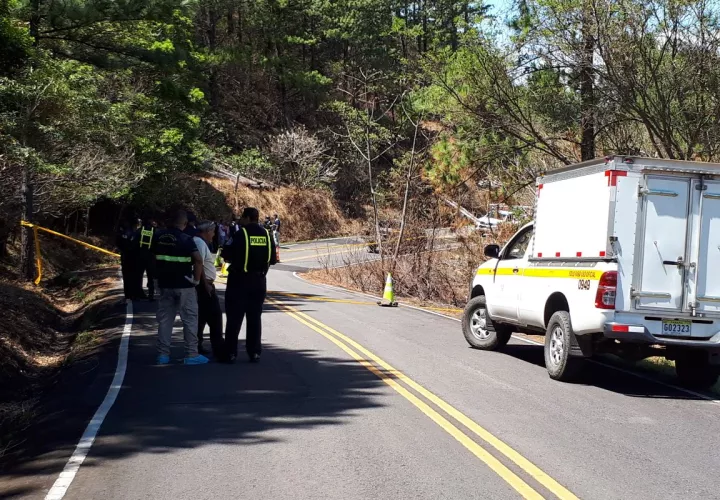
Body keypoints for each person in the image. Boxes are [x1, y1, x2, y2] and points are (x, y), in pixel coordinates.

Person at [152, 209, 209, 365]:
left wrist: (156, 279)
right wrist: (196, 280)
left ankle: (163, 355)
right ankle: (191, 354)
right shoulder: (186, 239)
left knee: (165, 320)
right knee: (190, 319)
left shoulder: (158, 237)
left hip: (165, 284)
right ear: (184, 223)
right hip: (184, 285)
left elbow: (152, 259)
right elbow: (198, 260)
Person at [222, 207, 277, 363]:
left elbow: (226, 254)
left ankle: (230, 353)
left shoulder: (240, 234)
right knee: (254, 318)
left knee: (234, 318)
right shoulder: (267, 235)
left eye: (242, 217)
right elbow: (272, 259)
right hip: (259, 281)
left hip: (239, 281)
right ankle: (254, 352)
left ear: (247, 218)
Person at [192, 221, 225, 358]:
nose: (214, 234)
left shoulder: (201, 242)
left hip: (206, 284)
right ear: (206, 231)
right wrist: (204, 283)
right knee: (215, 317)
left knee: (203, 317)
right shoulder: (199, 242)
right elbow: (198, 264)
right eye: (212, 231)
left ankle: (198, 344)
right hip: (204, 285)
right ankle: (218, 349)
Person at [132, 216, 156, 300]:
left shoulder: (139, 231)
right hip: (151, 257)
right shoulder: (154, 232)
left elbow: (133, 244)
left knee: (139, 276)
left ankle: (138, 294)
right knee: (151, 276)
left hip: (140, 256)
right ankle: (151, 294)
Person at [116, 218, 140, 300]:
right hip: (133, 257)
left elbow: (118, 243)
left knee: (127, 276)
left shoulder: (123, 232)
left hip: (125, 256)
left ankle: (128, 295)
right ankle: (134, 294)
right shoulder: (135, 233)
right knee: (134, 276)